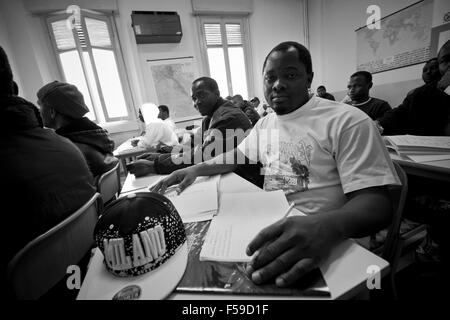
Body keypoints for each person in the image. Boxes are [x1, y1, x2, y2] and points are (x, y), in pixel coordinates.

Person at [150, 42, 399, 287]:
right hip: (271, 226)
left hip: (330, 240)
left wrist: (327, 227)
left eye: (290, 75)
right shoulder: (266, 124)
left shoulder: (347, 121)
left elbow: (377, 205)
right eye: (270, 78)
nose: (278, 84)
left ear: (309, 78)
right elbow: (236, 155)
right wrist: (194, 169)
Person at [0, 47, 96, 277]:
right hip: (86, 261)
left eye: (41, 104)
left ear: (51, 112)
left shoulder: (74, 144)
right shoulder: (66, 146)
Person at [127, 77, 263, 187]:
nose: (197, 102)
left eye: (201, 95)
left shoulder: (228, 117)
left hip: (246, 182)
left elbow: (202, 154)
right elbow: (191, 145)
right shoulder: (209, 117)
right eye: (193, 98)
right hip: (228, 176)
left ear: (217, 94)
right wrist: (161, 153)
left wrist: (155, 165)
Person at [37, 81, 119, 179]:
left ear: (52, 111)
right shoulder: (97, 137)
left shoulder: (65, 149)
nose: (38, 111)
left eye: (40, 106)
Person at [377, 40, 450, 136]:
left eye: (433, 68)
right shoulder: (420, 94)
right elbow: (399, 115)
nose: (428, 72)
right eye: (446, 60)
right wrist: (375, 125)